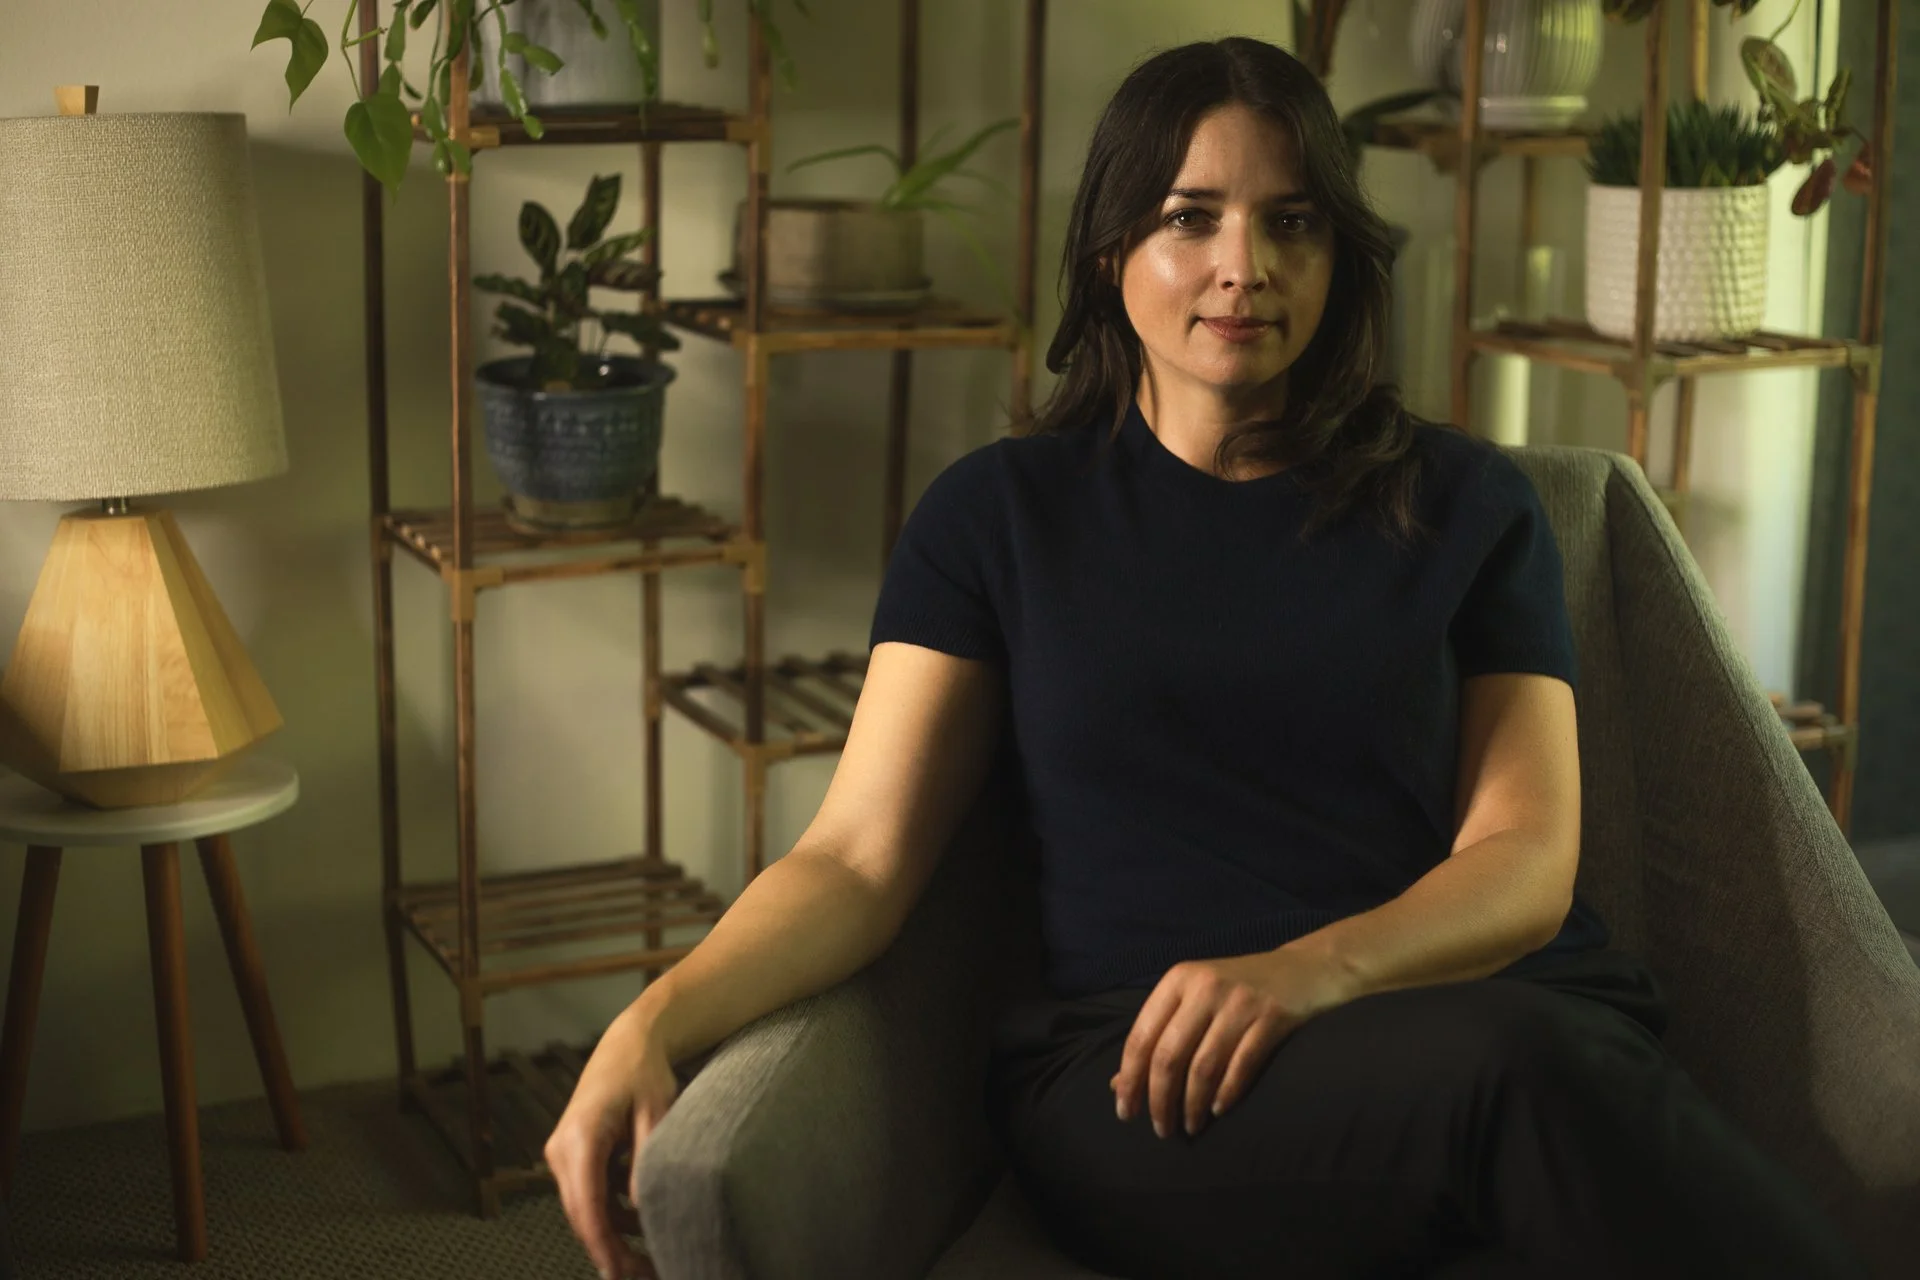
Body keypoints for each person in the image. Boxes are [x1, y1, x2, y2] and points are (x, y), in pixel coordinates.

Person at [545, 36, 1875, 1280]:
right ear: (1114, 244)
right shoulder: (1000, 517)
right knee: (1525, 1082)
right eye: (1192, 217)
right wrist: (652, 1020)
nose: (1247, 264)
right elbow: (856, 858)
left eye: (1291, 220)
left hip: (1492, 1020)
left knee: (1534, 1066)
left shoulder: (1471, 506)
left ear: (1340, 254)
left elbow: (1525, 863)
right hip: (1152, 1080)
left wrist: (1307, 971)